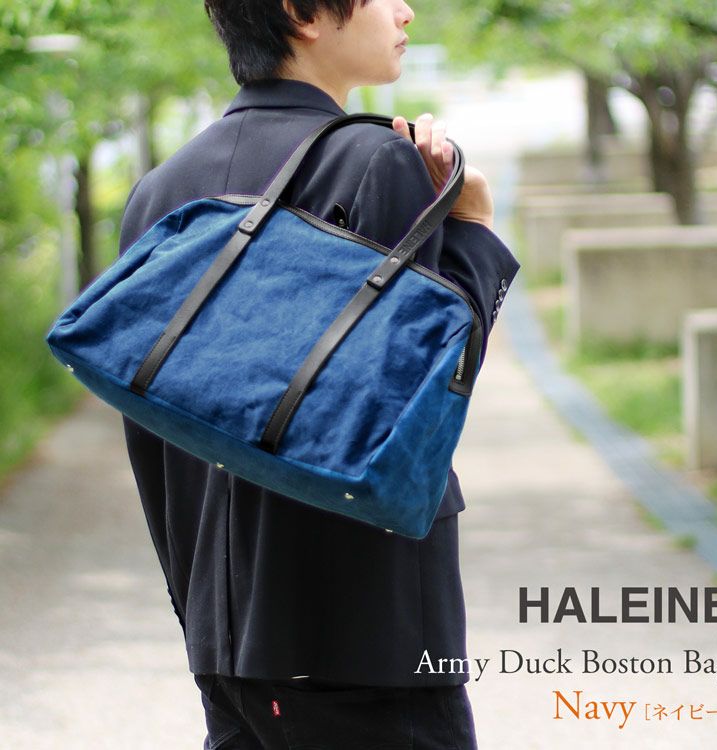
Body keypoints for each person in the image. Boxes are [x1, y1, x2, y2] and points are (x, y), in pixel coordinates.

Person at [118, 0, 520, 747]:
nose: (406, 11)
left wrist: (204, 617)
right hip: (363, 633)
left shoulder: (160, 191)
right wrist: (473, 231)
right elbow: (420, 403)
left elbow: (152, 442)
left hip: (225, 640)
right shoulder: (373, 161)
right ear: (302, 13)